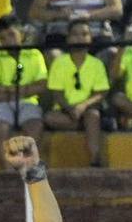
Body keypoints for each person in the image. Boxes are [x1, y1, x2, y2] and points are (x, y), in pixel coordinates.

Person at [0, 13, 46, 167]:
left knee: (35, 125)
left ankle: (31, 171)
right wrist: (22, 90)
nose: (7, 40)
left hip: (28, 102)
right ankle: (7, 173)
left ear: (21, 33)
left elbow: (42, 85)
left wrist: (10, 90)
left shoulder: (34, 54)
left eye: (11, 34)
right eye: (2, 38)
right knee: (1, 127)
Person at [42, 18, 108, 166]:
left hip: (89, 110)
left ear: (90, 38)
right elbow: (57, 93)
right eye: (75, 34)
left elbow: (101, 93)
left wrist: (83, 106)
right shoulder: (59, 62)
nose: (80, 37)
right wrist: (71, 109)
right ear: (68, 38)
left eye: (84, 34)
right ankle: (87, 126)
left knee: (93, 115)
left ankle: (95, 159)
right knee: (49, 118)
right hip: (65, 111)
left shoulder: (96, 64)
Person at [26, 0, 121, 49]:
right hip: (61, 35)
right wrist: (59, 14)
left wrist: (89, 15)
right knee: (54, 54)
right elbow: (35, 11)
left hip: (97, 35)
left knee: (111, 53)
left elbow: (116, 9)